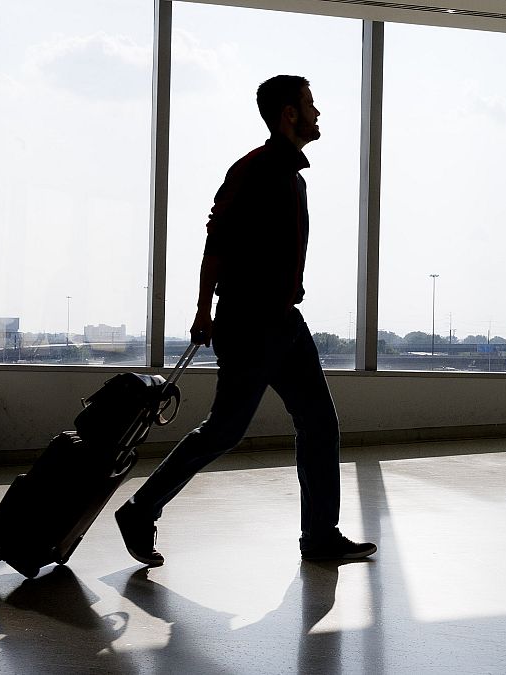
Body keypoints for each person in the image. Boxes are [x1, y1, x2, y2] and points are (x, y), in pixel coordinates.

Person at [114, 75, 376, 565]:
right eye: (310, 105)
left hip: (284, 321)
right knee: (224, 430)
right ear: (289, 114)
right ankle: (140, 510)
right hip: (249, 320)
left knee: (319, 424)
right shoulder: (252, 171)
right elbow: (216, 240)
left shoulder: (293, 177)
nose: (318, 114)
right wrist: (202, 310)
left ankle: (320, 535)